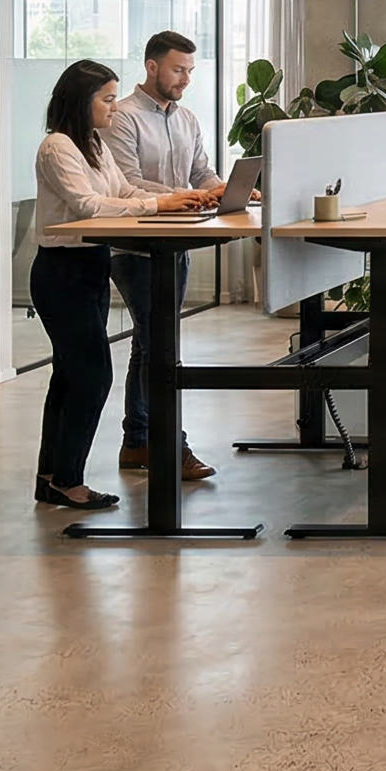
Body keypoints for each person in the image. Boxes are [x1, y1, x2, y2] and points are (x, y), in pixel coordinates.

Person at [29, 59, 209, 509]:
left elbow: (123, 192)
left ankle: (53, 477)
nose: (114, 108)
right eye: (107, 99)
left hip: (91, 264)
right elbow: (88, 205)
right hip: (61, 272)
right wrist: (158, 206)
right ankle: (69, 480)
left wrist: (169, 202)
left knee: (70, 378)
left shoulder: (91, 143)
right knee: (91, 377)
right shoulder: (58, 147)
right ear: (80, 100)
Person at [106, 29, 227, 481]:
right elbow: (128, 183)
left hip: (178, 242)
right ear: (152, 66)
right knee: (159, 342)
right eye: (179, 70)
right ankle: (169, 445)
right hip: (136, 247)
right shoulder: (123, 118)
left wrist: (220, 189)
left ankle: (137, 441)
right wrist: (189, 194)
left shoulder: (187, 118)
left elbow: (202, 171)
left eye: (190, 71)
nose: (185, 79)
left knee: (149, 341)